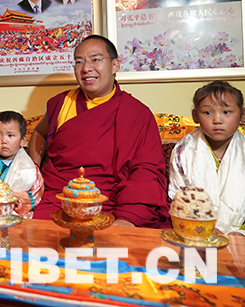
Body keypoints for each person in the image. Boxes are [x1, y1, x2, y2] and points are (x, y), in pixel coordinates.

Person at [28, 35, 169, 228]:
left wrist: (127, 218)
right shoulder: (61, 103)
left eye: (95, 59)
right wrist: (32, 173)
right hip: (60, 199)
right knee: (35, 238)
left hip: (109, 202)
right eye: (79, 62)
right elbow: (39, 133)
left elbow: (146, 170)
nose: (86, 68)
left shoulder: (136, 113)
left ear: (115, 65)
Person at [169, 81, 245, 237]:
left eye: (226, 112)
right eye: (208, 112)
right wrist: (201, 226)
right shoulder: (183, 151)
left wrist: (241, 232)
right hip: (193, 231)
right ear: (195, 116)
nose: (217, 120)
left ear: (243, 116)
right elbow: (178, 198)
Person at [0, 111, 44, 219]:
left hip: (19, 216)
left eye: (10, 135)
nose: (4, 141)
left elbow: (37, 192)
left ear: (22, 140)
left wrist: (13, 199)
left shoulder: (31, 169)